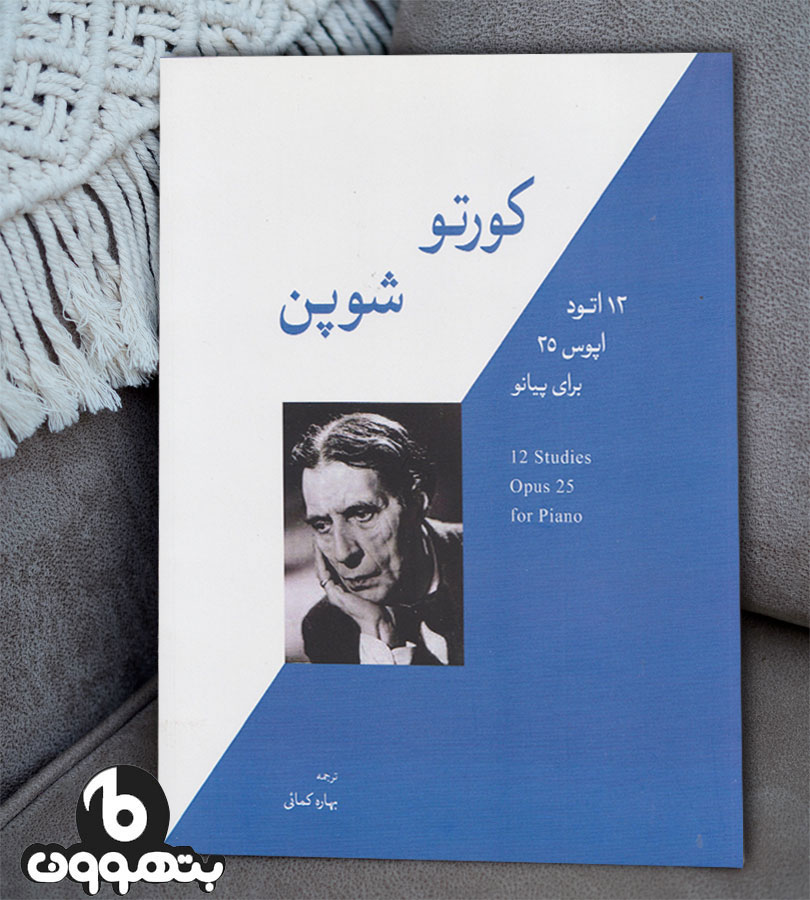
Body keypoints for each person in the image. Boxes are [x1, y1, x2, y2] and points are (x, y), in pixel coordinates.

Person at [291, 412, 463, 665]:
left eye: (362, 514)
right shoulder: (326, 627)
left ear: (416, 504)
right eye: (322, 525)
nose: (343, 553)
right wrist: (379, 631)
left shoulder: (498, 567)